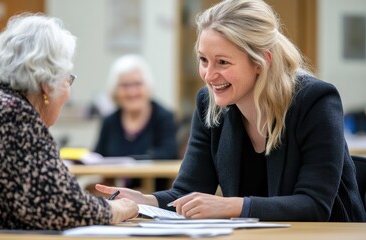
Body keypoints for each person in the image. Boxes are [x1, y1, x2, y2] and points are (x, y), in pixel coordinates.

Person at [96, 0, 366, 222]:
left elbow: (314, 206)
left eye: (222, 62)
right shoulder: (209, 103)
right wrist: (146, 201)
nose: (209, 75)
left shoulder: (315, 100)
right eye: (203, 60)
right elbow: (188, 191)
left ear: (261, 61)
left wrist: (231, 206)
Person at [0, 13, 137, 232]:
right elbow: (60, 207)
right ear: (46, 84)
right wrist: (117, 209)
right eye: (67, 78)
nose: (68, 92)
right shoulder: (11, 114)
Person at [93, 54, 179, 190]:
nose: (132, 92)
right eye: (125, 86)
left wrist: (128, 161)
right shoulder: (109, 121)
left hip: (154, 193)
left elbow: (169, 154)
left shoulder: (164, 117)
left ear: (148, 86)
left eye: (137, 84)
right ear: (115, 90)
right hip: (115, 193)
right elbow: (97, 156)